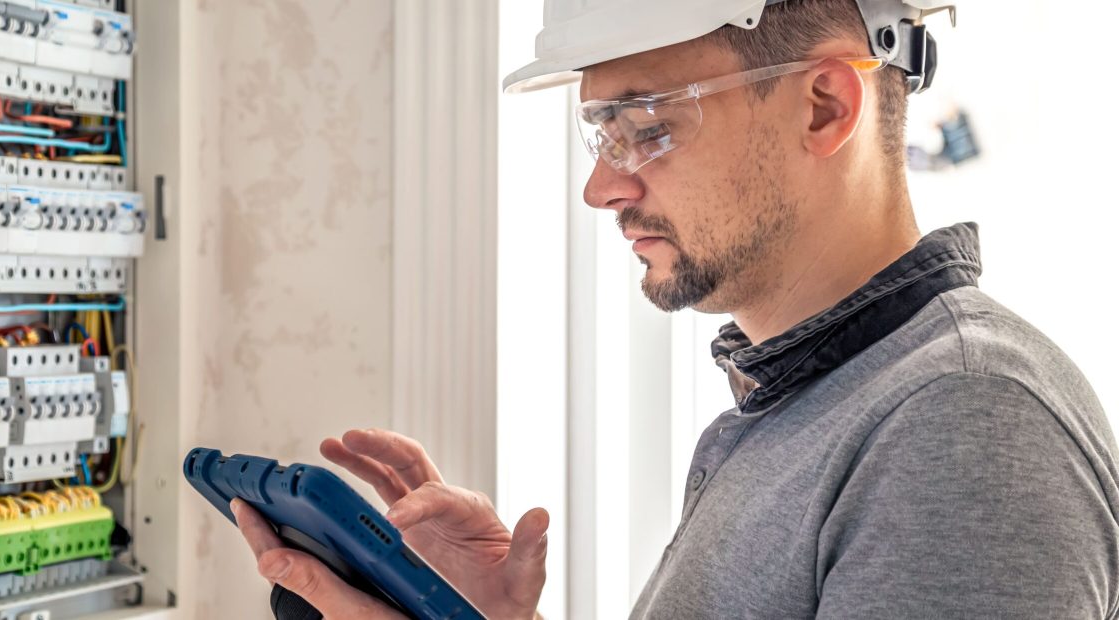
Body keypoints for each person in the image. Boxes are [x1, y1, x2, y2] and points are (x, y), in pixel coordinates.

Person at [234, 0, 1119, 617]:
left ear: (823, 106)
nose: (600, 185)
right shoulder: (800, 404)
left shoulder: (963, 424)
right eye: (601, 132)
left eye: (647, 123)